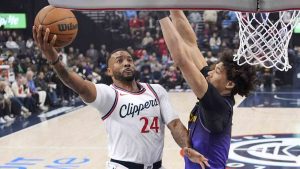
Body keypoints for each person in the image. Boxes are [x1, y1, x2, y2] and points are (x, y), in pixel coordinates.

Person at [32, 25, 210, 169]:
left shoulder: (156, 90)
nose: (126, 62)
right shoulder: (109, 95)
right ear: (109, 71)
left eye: (129, 59)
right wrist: (54, 59)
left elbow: (175, 125)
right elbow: (77, 84)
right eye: (119, 60)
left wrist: (187, 149)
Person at [159, 11, 256, 168]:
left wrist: (161, 14)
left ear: (229, 84)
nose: (209, 73)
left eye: (216, 71)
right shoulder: (215, 91)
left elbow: (181, 60)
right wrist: (174, 8)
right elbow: (190, 44)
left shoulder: (217, 106)